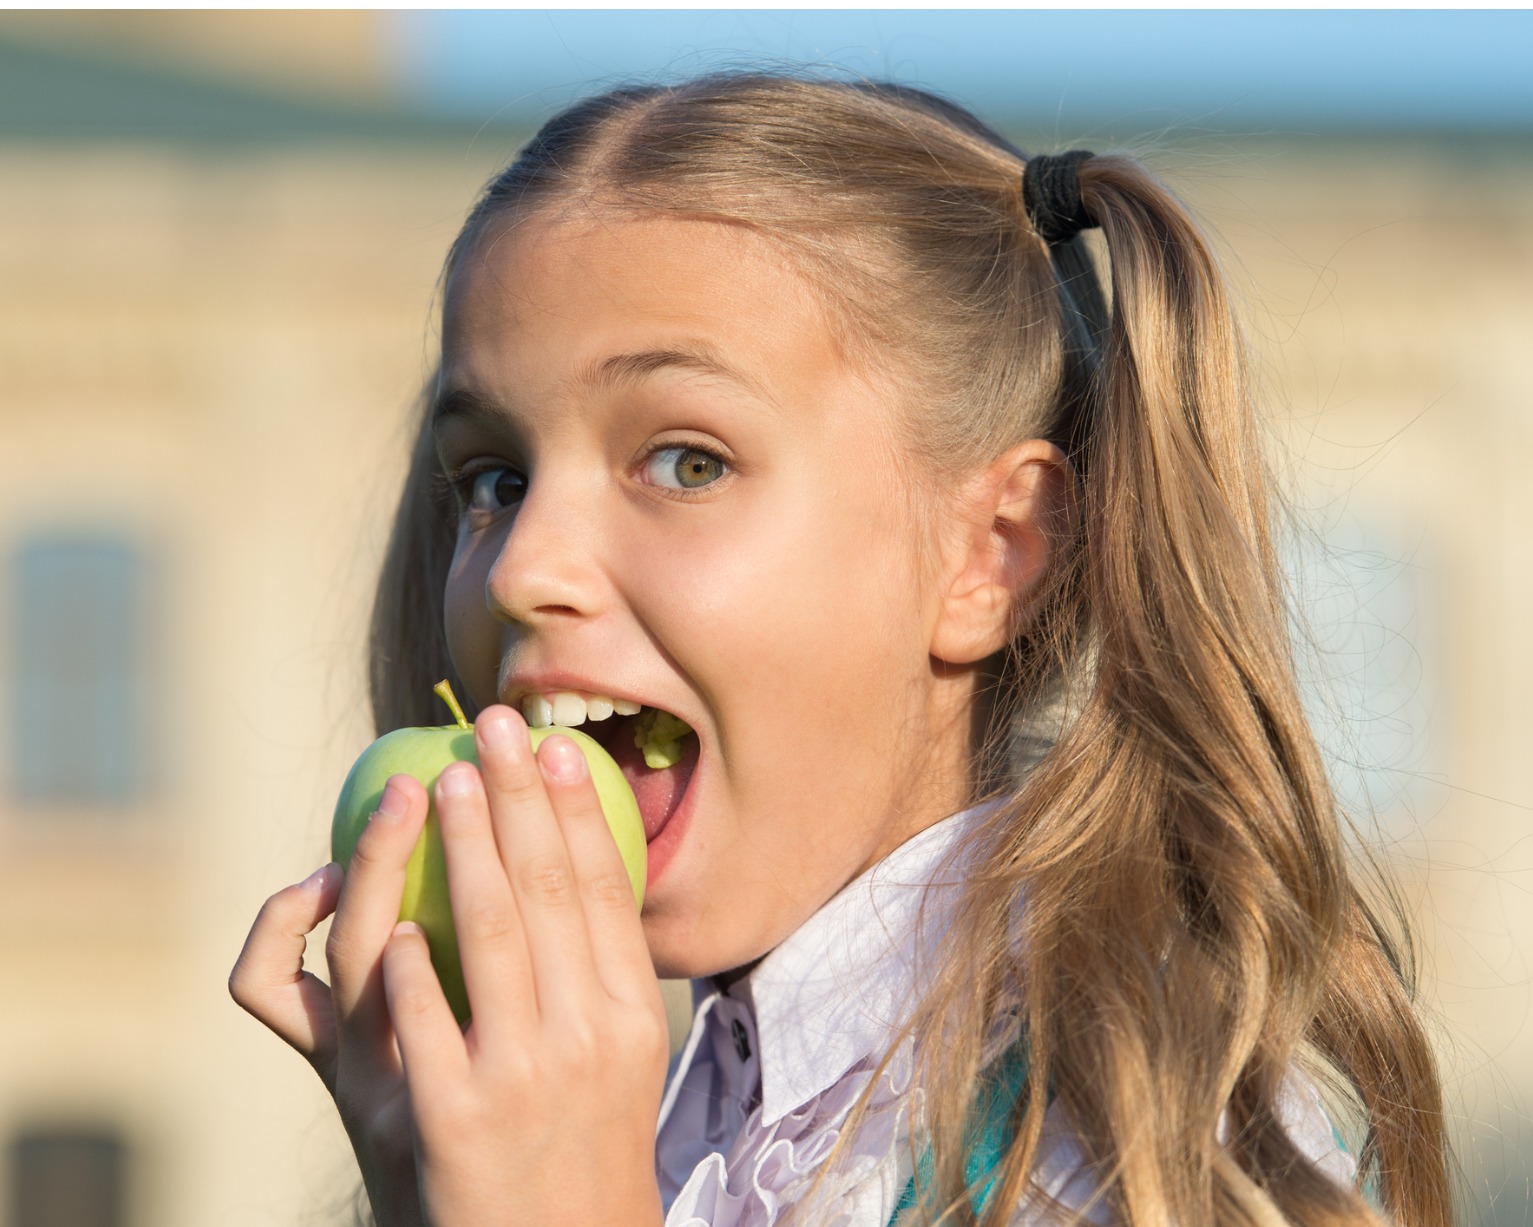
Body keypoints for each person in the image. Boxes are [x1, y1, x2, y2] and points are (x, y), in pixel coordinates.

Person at [229, 71, 1451, 1227]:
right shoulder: (657, 1123)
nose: (519, 567)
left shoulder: (1149, 1151)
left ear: (992, 553)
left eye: (686, 462)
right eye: (493, 477)